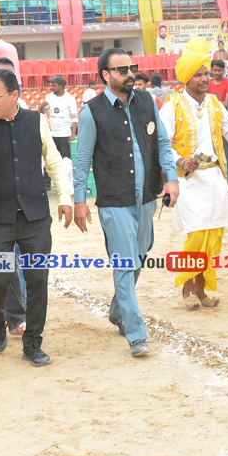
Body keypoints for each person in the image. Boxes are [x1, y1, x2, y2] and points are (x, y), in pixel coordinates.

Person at [73, 48, 180, 358]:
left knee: (141, 253)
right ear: (105, 75)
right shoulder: (92, 111)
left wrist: (172, 179)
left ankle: (117, 309)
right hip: (114, 201)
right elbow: (83, 160)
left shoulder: (147, 101)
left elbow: (162, 144)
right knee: (124, 264)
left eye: (131, 67)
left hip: (147, 197)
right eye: (122, 69)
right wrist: (80, 200)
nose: (130, 73)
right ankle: (136, 335)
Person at [0, 68, 74, 367]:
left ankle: (32, 343)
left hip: (35, 217)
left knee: (37, 278)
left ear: (14, 95)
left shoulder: (35, 121)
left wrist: (65, 198)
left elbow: (53, 161)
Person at [159, 40, 228, 308]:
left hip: (213, 177)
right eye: (198, 74)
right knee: (197, 234)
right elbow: (160, 143)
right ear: (186, 77)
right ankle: (187, 286)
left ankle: (201, 290)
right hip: (187, 181)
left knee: (214, 234)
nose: (204, 79)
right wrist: (180, 161)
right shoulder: (172, 106)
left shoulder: (214, 103)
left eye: (206, 74)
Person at [42, 76, 79, 164]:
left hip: (64, 135)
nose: (52, 88)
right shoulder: (50, 97)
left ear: (61, 86)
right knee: (51, 161)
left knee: (64, 161)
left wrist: (73, 134)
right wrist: (42, 106)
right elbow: (42, 112)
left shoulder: (70, 99)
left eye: (54, 85)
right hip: (51, 135)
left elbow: (74, 118)